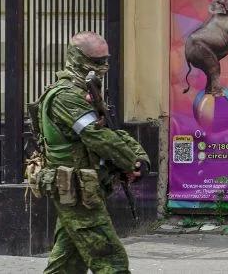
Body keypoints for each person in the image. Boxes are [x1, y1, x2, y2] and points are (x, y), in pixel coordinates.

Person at [31, 32, 149, 274]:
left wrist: (138, 157)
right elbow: (97, 137)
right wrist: (129, 162)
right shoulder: (65, 97)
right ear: (75, 58)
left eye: (106, 60)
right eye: (96, 61)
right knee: (111, 262)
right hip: (76, 190)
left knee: (67, 265)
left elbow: (111, 131)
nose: (103, 67)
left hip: (85, 189)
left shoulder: (84, 93)